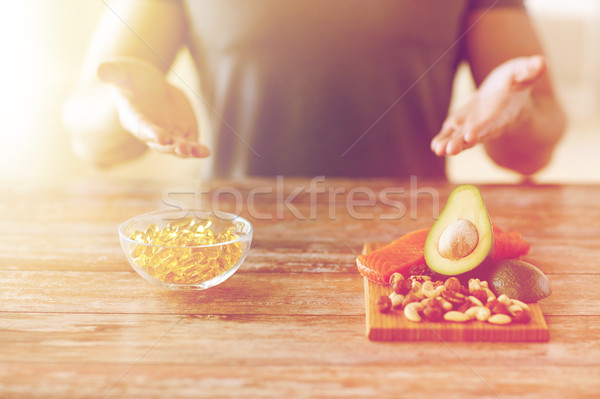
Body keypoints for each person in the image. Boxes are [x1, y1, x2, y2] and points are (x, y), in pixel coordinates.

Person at [63, 0, 565, 179]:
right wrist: (126, 104)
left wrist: (516, 112)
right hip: (231, 253)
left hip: (417, 249)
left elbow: (529, 156)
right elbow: (90, 141)